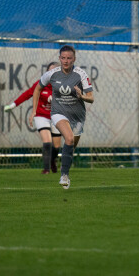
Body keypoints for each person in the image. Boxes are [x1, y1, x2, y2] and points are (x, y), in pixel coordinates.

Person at [29, 45, 94, 189]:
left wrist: (81, 96)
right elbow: (37, 89)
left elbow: (91, 98)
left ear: (74, 59)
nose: (66, 61)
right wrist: (34, 110)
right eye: (63, 58)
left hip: (77, 116)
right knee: (69, 138)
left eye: (69, 58)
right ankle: (64, 175)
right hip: (58, 113)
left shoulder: (81, 74)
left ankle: (65, 168)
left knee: (71, 145)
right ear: (59, 58)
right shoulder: (52, 74)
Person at [4, 62, 62, 174]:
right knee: (47, 141)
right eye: (50, 71)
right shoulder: (41, 84)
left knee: (56, 146)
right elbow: (27, 94)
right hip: (41, 116)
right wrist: (13, 105)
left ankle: (52, 160)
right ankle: (46, 169)